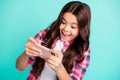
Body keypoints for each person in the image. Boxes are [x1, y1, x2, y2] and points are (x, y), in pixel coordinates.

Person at [16, 1, 91, 80]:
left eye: (73, 27)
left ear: (82, 29)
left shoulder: (83, 51)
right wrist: (27, 53)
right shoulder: (44, 35)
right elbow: (19, 67)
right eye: (63, 22)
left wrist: (59, 68)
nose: (66, 29)